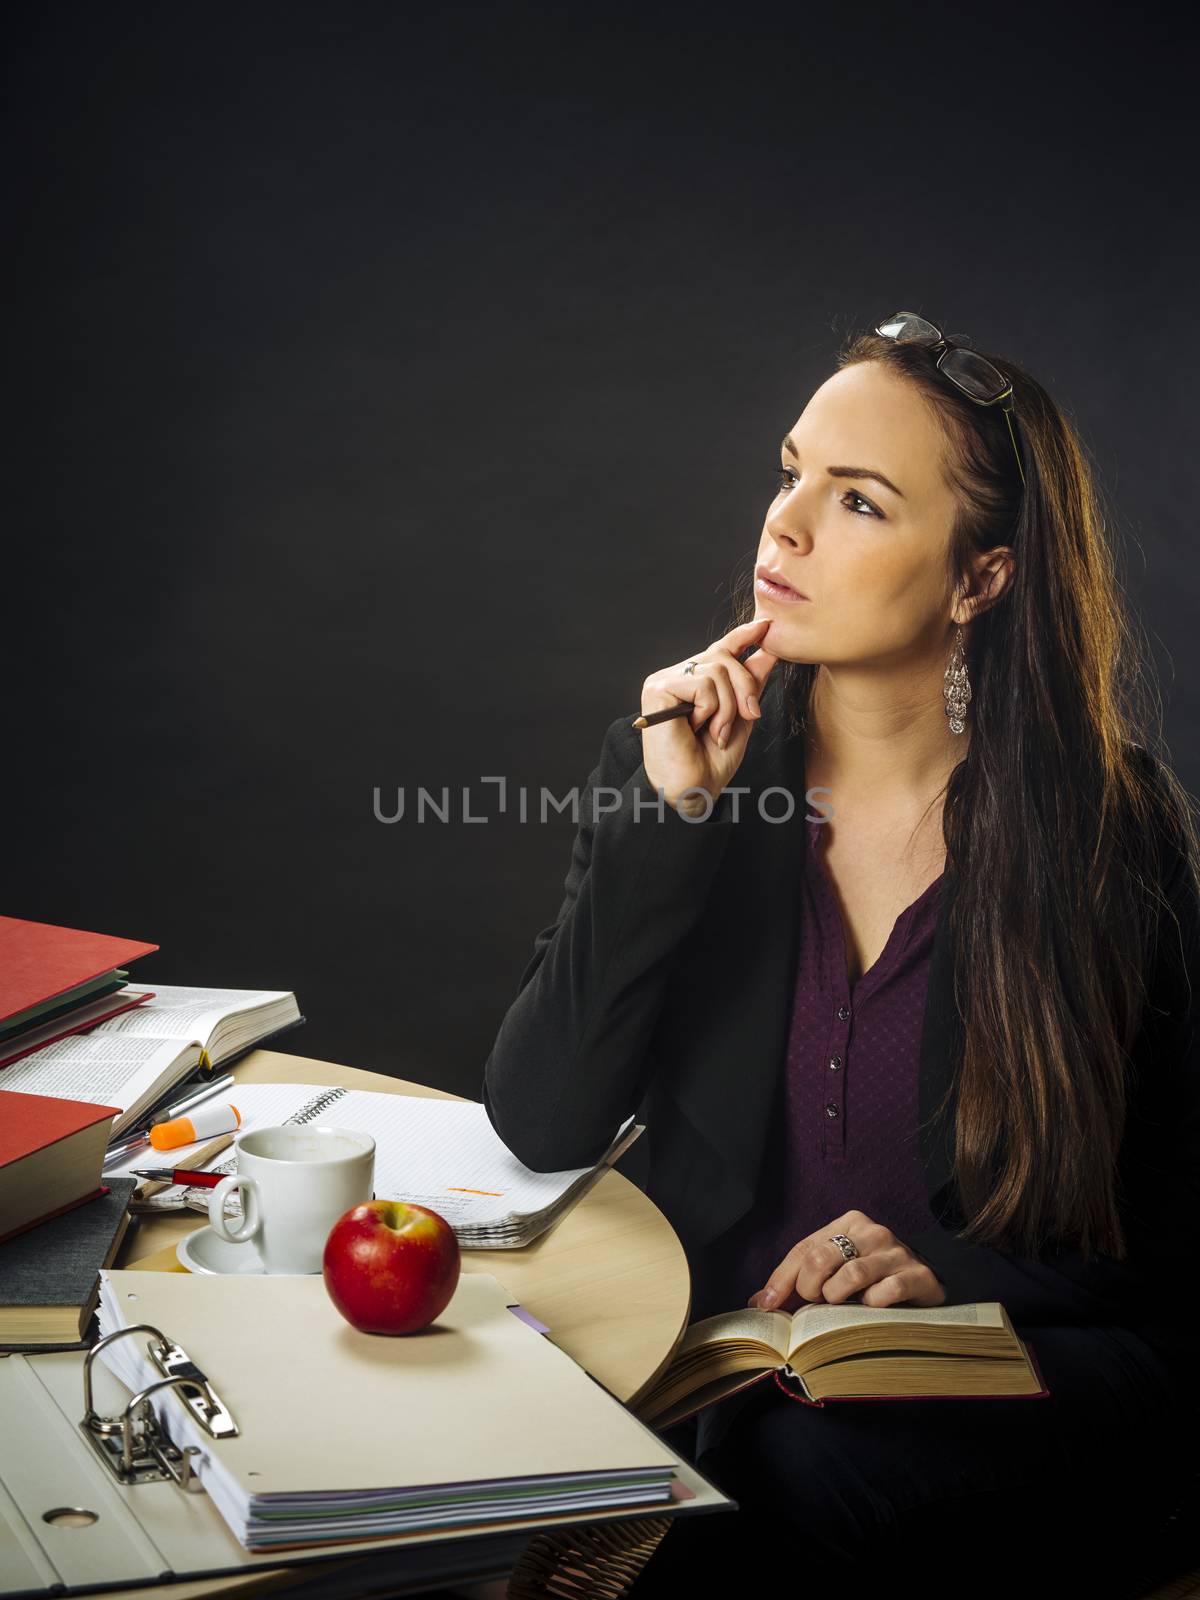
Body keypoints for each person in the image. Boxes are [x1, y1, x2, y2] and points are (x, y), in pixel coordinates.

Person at [480, 312, 1200, 1597]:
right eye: (791, 470)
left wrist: (949, 1279)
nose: (787, 526)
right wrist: (672, 820)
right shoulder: (686, 776)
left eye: (859, 501)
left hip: (1027, 1370)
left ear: (981, 579)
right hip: (747, 1376)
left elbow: (1174, 1233)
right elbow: (544, 1117)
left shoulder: (1112, 832)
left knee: (798, 1481)